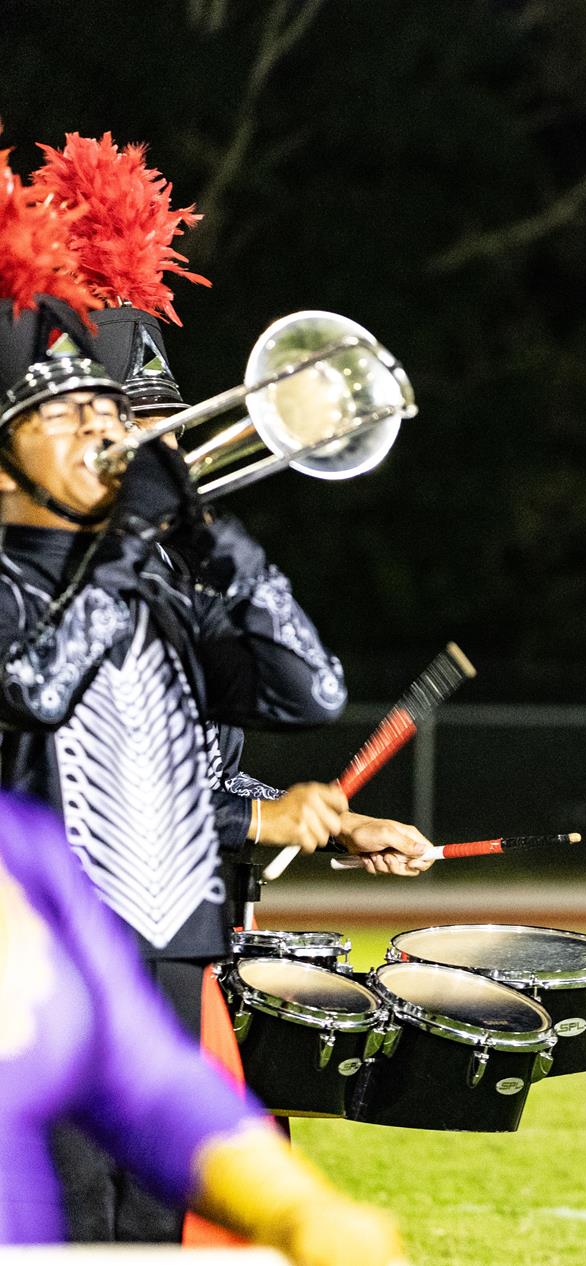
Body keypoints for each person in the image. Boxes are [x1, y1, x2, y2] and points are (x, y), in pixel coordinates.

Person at [0, 146, 342, 1244]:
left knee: (153, 1234)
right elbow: (33, 691)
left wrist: (209, 532)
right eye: (80, 415)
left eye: (125, 419)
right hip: (43, 961)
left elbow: (307, 688)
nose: (116, 443)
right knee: (56, 1226)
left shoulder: (163, 572)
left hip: (171, 946)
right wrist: (124, 556)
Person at [30, 132, 434, 890]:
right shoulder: (34, 581)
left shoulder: (172, 573)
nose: (165, 454)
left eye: (169, 430)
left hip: (182, 921)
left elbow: (301, 694)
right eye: (134, 432)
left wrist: (333, 824)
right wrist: (259, 822)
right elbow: (66, 793)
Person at [0, 783, 405, 1264]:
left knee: (141, 1219)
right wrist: (255, 818)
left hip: (161, 925)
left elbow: (143, 1080)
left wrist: (294, 1207)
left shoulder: (28, 852)